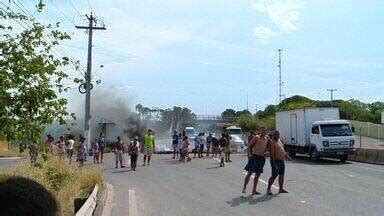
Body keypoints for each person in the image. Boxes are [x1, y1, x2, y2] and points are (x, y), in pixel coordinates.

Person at [242, 127, 269, 195]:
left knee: (258, 174)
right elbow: (249, 146)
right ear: (260, 131)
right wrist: (249, 155)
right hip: (254, 156)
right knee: (250, 173)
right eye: (262, 131)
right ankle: (244, 187)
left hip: (261, 158)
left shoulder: (266, 138)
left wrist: (266, 153)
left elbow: (266, 147)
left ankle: (254, 190)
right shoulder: (256, 137)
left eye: (265, 131)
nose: (264, 132)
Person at [267, 130, 291, 195]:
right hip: (275, 161)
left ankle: (281, 189)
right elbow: (272, 155)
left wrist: (287, 156)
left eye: (278, 134)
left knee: (281, 175)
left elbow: (282, 150)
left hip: (281, 160)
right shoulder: (272, 143)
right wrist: (275, 164)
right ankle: (268, 189)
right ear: (273, 135)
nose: (277, 136)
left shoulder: (279, 140)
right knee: (274, 175)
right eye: (276, 134)